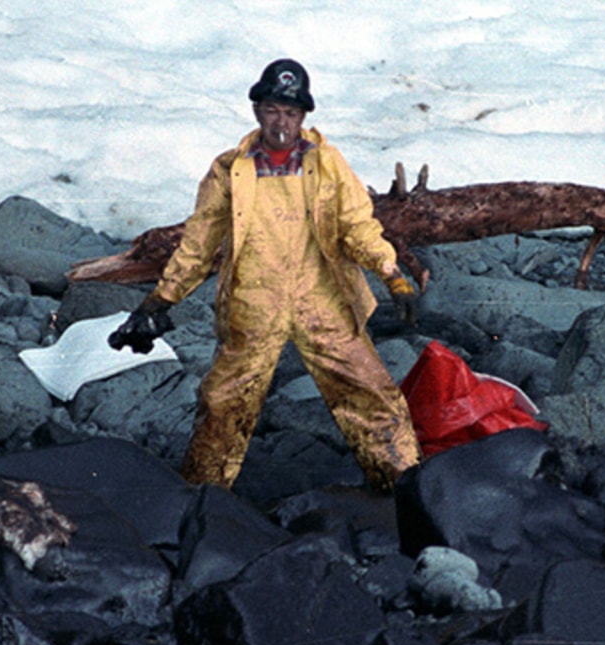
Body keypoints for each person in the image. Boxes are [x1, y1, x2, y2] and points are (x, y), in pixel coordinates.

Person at [109, 58, 423, 492]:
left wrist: (392, 275)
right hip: (253, 304)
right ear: (257, 110)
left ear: (303, 116)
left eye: (291, 113)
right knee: (224, 402)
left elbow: (357, 227)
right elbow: (199, 242)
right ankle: (204, 496)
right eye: (273, 110)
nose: (281, 122)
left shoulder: (328, 164)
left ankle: (404, 488)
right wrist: (161, 300)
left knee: (370, 393)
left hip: (323, 301)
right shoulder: (229, 170)